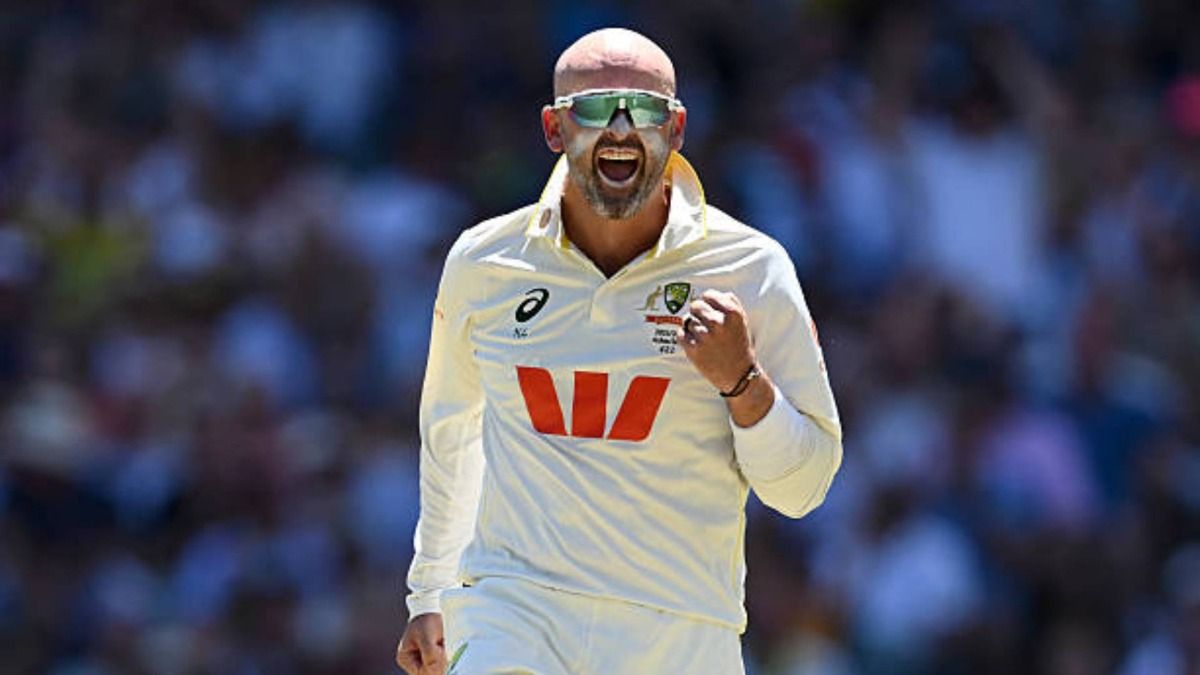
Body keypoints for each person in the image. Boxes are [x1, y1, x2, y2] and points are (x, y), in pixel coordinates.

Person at [395, 27, 842, 675]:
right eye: (597, 107)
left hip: (681, 626)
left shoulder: (751, 268)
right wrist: (430, 592)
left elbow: (804, 487)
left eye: (647, 110)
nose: (623, 129)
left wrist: (743, 383)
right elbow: (451, 432)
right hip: (514, 609)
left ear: (677, 129)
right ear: (554, 128)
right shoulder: (484, 260)